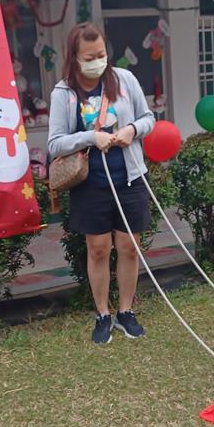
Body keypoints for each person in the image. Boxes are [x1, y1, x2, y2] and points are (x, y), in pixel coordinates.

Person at [47, 22, 156, 345]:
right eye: (89, 57)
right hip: (90, 183)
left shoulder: (124, 79)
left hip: (130, 178)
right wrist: (90, 137)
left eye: (101, 54)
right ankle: (103, 314)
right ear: (74, 58)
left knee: (129, 247)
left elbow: (149, 118)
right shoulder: (64, 93)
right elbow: (55, 143)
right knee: (97, 250)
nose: (97, 61)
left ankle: (126, 311)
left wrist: (132, 130)